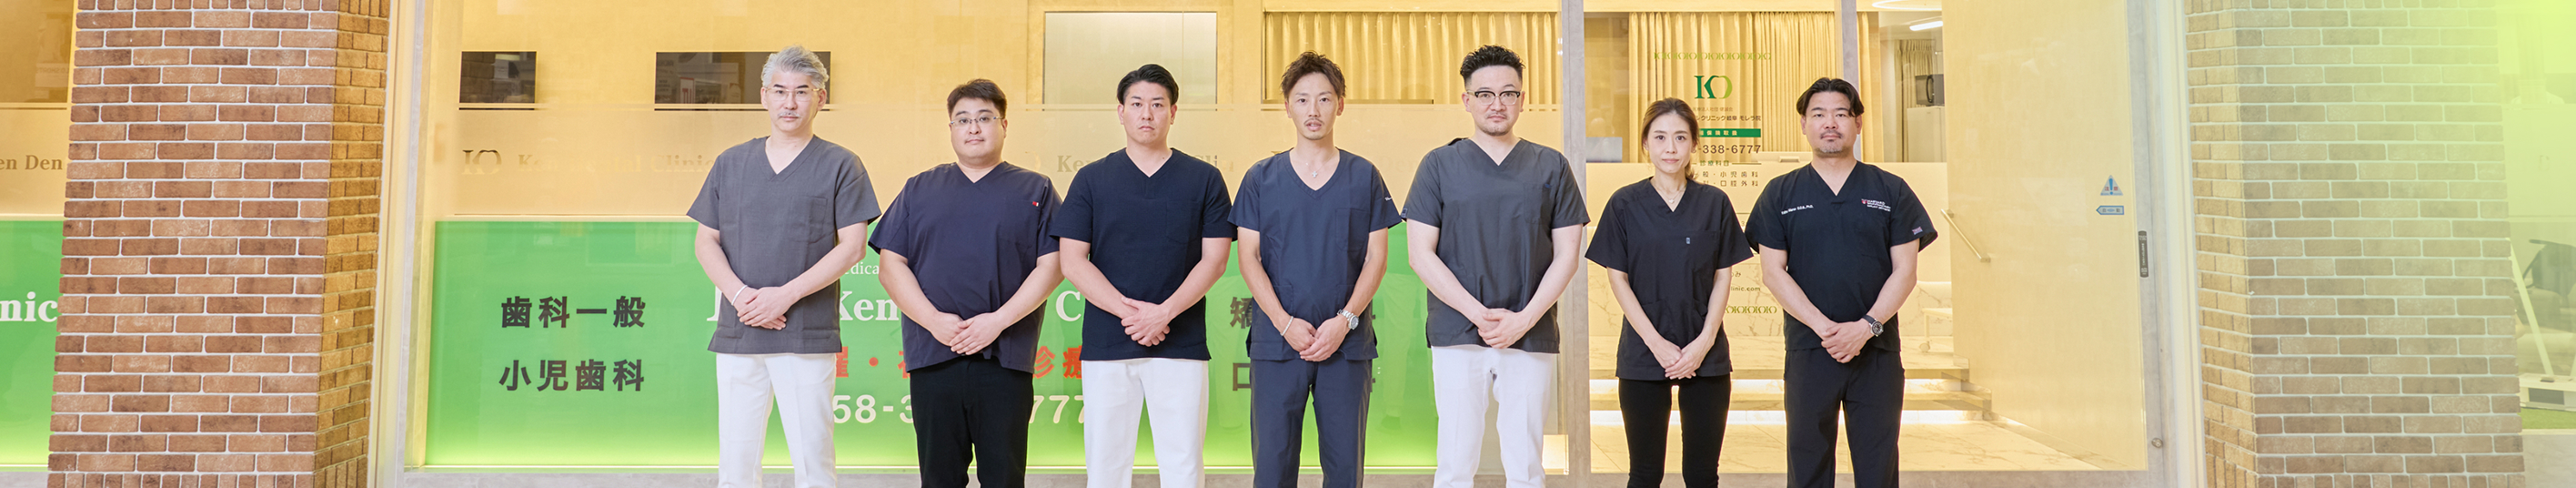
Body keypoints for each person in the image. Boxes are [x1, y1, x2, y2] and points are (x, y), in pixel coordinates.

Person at [685, 45, 878, 488]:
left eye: (801, 91)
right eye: (780, 91)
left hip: (805, 334)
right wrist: (741, 297)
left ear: (820, 98)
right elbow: (706, 240)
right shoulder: (731, 163)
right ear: (763, 96)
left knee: (813, 460)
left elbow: (852, 247)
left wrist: (783, 297)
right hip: (740, 330)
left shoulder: (841, 164)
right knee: (736, 462)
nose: (790, 102)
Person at [1402, 45, 1588, 488]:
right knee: (1455, 460)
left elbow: (1567, 254)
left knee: (1526, 464)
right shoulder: (1438, 165)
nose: (1497, 104)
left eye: (1508, 93)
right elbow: (1420, 254)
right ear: (1466, 100)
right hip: (1457, 331)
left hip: (1530, 331)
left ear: (1523, 99)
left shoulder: (1551, 166)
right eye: (1484, 94)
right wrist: (1477, 314)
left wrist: (1524, 319)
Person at [1745, 77, 1937, 488]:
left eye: (1840, 114)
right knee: (1808, 467)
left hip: (1877, 352)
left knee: (1877, 467)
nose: (1829, 123)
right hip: (1810, 350)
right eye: (1818, 114)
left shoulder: (1891, 189)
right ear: (1803, 124)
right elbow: (1772, 272)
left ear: (1858, 123)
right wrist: (1826, 330)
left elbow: (1906, 271)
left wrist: (1865, 328)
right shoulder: (1780, 193)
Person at [1052, 64, 1234, 488]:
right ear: (1120, 112)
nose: (1146, 114)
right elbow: (1072, 261)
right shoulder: (1091, 179)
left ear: (1174, 112)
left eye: (1157, 104)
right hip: (1107, 343)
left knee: (1183, 464)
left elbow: (1215, 260)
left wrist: (1163, 314)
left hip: (1181, 343)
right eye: (1136, 104)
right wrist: (1132, 315)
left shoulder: (1204, 179)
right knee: (1106, 466)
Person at [873, 79, 1062, 488]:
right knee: (939, 478)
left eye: (984, 118)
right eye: (962, 120)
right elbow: (890, 265)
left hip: (1005, 359)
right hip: (934, 356)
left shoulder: (1036, 189)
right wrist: (933, 321)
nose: (973, 128)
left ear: (1004, 125)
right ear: (951, 129)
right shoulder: (919, 188)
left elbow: (1053, 265)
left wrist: (997, 321)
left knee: (1004, 477)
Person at [1233, 51, 1401, 488]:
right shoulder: (1260, 178)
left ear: (1340, 105)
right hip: (1277, 343)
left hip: (1346, 346)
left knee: (1345, 469)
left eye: (1325, 99)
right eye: (1302, 99)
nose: (1314, 110)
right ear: (1287, 107)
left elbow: (1377, 258)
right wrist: (1284, 323)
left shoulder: (1365, 176)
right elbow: (1248, 257)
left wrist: (1345, 321)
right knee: (1272, 468)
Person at [1587, 98, 1751, 488]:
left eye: (1680, 137)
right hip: (1644, 353)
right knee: (1645, 475)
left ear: (1693, 143)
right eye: (1660, 137)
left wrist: (1703, 343)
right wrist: (1656, 344)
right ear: (1645, 143)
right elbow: (1617, 278)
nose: (1671, 148)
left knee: (1702, 475)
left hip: (1705, 356)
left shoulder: (1714, 203)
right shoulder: (1624, 203)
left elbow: (1723, 277)